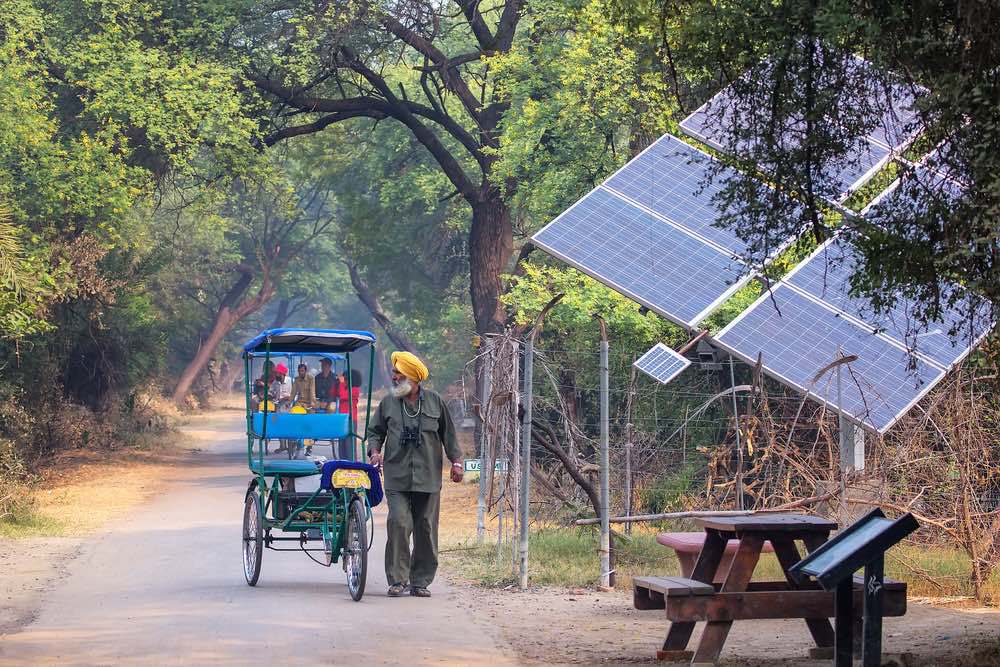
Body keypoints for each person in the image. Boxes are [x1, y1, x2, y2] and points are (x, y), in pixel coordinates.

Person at [368, 351, 463, 598]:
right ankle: (397, 580)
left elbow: (449, 435)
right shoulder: (389, 402)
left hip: (429, 476)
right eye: (395, 371)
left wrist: (457, 463)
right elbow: (375, 431)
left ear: (412, 377)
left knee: (425, 527)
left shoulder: (435, 402)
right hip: (396, 475)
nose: (394, 375)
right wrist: (375, 451)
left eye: (399, 372)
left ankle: (420, 581)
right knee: (399, 522)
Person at [335, 369, 363, 460]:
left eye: (346, 379)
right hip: (342, 419)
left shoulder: (355, 390)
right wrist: (336, 383)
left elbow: (343, 396)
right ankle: (343, 464)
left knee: (349, 445)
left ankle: (352, 464)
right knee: (342, 445)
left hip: (351, 419)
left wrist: (342, 383)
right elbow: (335, 394)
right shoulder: (343, 387)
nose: (344, 381)